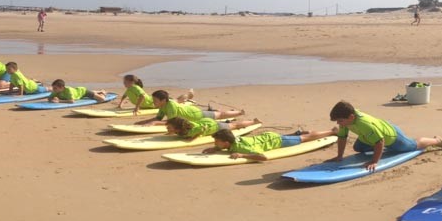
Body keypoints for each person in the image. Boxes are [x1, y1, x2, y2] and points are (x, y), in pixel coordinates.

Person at [328, 101, 442, 171]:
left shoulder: (365, 125)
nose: (338, 123)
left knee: (413, 145)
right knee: (358, 148)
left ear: (351, 117)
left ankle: (436, 140)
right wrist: (339, 156)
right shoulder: (345, 120)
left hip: (391, 136)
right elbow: (342, 137)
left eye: (340, 120)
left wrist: (374, 161)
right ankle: (380, 149)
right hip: (373, 133)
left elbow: (380, 142)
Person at [203, 128, 336, 161]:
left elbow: (262, 157)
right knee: (298, 136)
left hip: (276, 141)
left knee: (305, 138)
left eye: (217, 142)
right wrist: (214, 148)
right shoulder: (232, 140)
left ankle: (331, 131)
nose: (215, 143)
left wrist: (242, 155)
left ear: (226, 143)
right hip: (267, 136)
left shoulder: (240, 147)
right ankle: (296, 133)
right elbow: (225, 144)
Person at [134, 90, 241, 126]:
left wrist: (154, 123)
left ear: (163, 100)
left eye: (155, 101)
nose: (153, 102)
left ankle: (240, 112)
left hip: (195, 115)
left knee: (220, 115)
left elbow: (172, 122)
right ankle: (234, 112)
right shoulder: (162, 106)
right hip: (190, 114)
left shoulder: (171, 105)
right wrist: (143, 122)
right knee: (219, 114)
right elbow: (158, 118)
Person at [115, 74, 194, 115]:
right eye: (123, 82)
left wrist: (137, 107)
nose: (124, 83)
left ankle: (188, 95)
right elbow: (125, 95)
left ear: (132, 82)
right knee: (174, 99)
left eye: (125, 82)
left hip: (153, 103)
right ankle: (187, 96)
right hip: (147, 105)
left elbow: (142, 96)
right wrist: (120, 104)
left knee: (176, 100)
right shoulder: (129, 89)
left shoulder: (136, 88)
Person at [165, 117, 261, 141]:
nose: (167, 128)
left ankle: (254, 122)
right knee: (230, 124)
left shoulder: (191, 131)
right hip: (204, 121)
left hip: (213, 126)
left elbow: (201, 129)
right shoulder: (181, 128)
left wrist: (193, 138)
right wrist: (171, 132)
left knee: (234, 126)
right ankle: (227, 121)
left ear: (177, 128)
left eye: (169, 127)